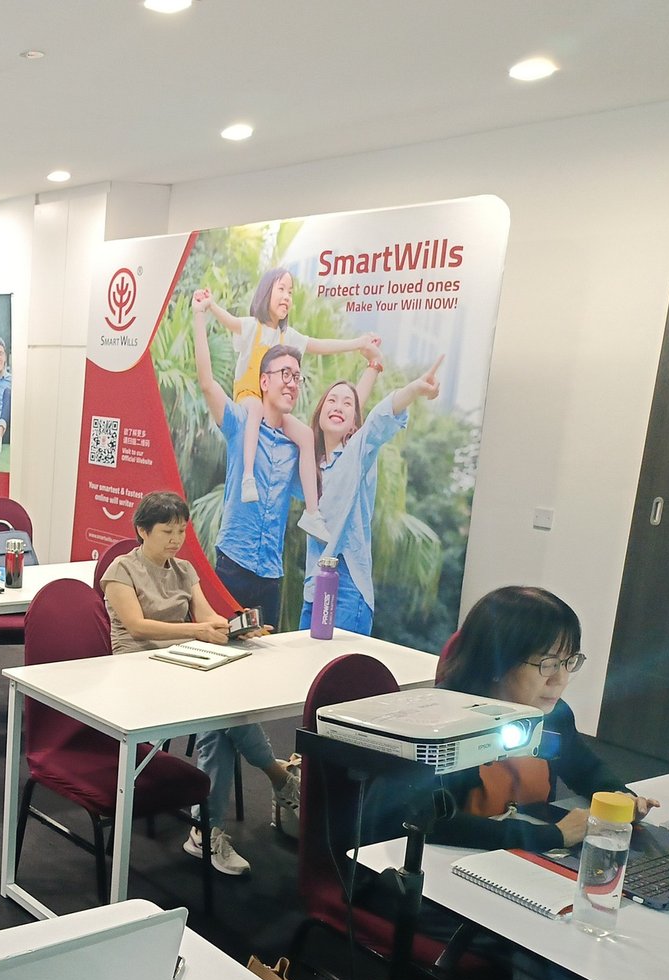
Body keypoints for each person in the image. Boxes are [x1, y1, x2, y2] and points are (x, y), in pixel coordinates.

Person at [359, 587, 658, 980]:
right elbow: (419, 824)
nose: (559, 681)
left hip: (504, 867)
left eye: (568, 662)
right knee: (558, 921)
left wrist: (621, 797)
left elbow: (586, 767)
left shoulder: (551, 717)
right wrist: (546, 835)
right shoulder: (442, 723)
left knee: (593, 902)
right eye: (545, 663)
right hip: (421, 881)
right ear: (497, 661)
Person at [99, 491, 294, 875]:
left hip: (183, 664)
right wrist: (198, 632)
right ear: (143, 530)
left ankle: (207, 831)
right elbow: (138, 627)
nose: (176, 539)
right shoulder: (121, 570)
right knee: (219, 716)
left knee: (219, 721)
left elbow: (206, 616)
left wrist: (236, 628)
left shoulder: (184, 570)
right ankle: (277, 776)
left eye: (181, 531)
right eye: (167, 531)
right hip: (135, 671)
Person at [195, 275, 376, 540]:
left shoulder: (287, 336)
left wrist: (358, 343)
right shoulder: (252, 327)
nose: (287, 297)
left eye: (290, 292)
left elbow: (321, 345)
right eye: (281, 289)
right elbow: (228, 323)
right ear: (265, 292)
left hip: (270, 412)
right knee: (256, 411)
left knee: (305, 435)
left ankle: (312, 513)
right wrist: (208, 307)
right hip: (248, 395)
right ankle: (248, 476)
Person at [300, 353, 442, 634]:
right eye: (332, 400)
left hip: (347, 588)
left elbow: (380, 417)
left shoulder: (358, 452)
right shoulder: (310, 467)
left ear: (354, 424)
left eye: (347, 403)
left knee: (339, 665)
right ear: (319, 413)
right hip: (313, 588)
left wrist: (414, 389)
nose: (338, 406)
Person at [192, 291, 303, 628]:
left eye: (297, 377)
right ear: (264, 381)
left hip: (271, 575)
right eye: (285, 374)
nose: (292, 383)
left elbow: (315, 490)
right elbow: (207, 383)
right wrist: (199, 315)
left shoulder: (295, 446)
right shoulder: (241, 423)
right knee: (224, 646)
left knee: (267, 654)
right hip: (233, 565)